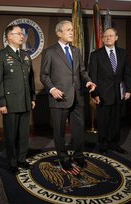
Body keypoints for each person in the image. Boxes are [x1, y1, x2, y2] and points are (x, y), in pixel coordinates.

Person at [40, 20, 96, 170]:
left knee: (79, 129)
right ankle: (63, 158)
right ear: (59, 33)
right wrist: (52, 89)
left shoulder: (76, 51)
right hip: (60, 97)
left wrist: (88, 81)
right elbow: (44, 75)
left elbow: (83, 72)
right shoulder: (50, 52)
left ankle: (79, 156)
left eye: (72, 29)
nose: (72, 32)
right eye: (68, 30)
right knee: (59, 131)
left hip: (78, 96)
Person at [0, 25, 36, 174]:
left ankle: (21, 159)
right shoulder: (0, 55)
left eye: (22, 34)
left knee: (23, 134)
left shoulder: (25, 55)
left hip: (25, 100)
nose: (22, 36)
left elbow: (30, 79)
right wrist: (1, 102)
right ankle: (12, 162)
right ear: (9, 36)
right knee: (11, 134)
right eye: (18, 34)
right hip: (10, 103)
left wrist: (33, 97)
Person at [88, 27, 131, 155]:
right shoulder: (96, 54)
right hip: (102, 94)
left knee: (116, 121)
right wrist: (94, 94)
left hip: (119, 93)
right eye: (106, 36)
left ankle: (114, 144)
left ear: (116, 38)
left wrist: (128, 90)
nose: (108, 38)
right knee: (103, 121)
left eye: (111, 36)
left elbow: (127, 73)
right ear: (102, 39)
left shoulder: (123, 53)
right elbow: (93, 76)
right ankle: (103, 145)